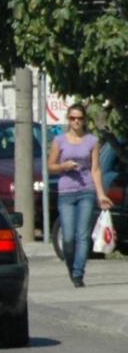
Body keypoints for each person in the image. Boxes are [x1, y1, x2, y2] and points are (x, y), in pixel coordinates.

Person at [47, 103, 113, 287]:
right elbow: (50, 166)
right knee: (68, 237)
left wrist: (101, 195)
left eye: (79, 118)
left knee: (83, 235)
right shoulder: (59, 141)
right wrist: (63, 166)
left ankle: (78, 273)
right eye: (72, 118)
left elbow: (96, 169)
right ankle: (71, 266)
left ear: (84, 120)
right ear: (68, 120)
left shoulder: (92, 141)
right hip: (66, 191)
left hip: (86, 191)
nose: (76, 121)